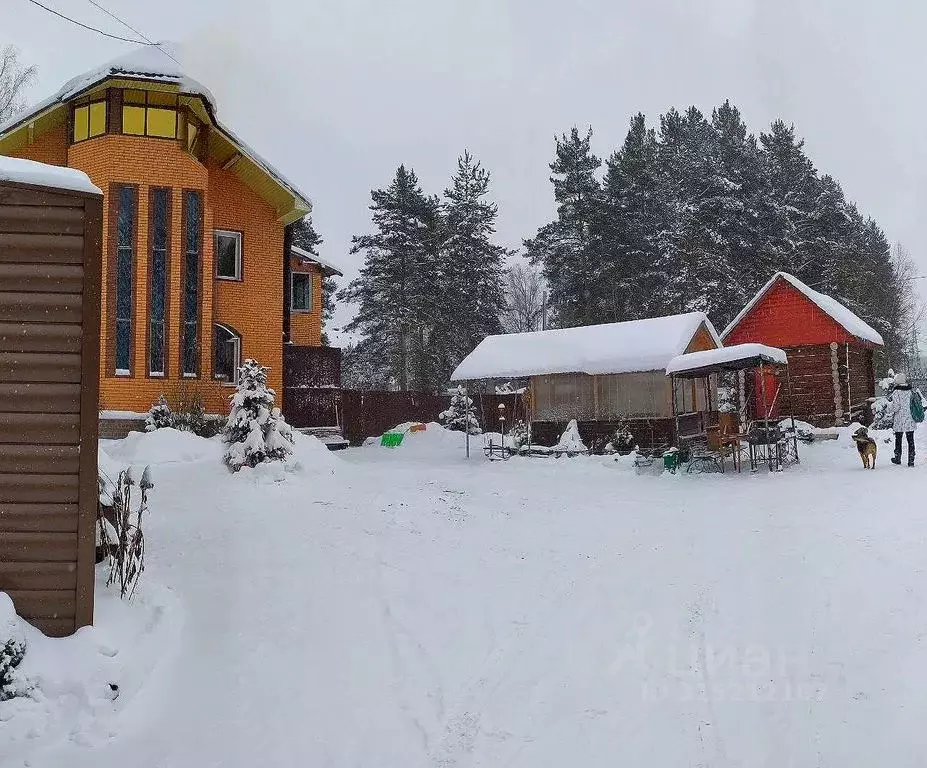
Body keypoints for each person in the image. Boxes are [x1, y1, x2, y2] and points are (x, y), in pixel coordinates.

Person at [890, 372, 916, 466]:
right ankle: (911, 460)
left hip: (900, 420)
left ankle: (898, 458)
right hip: (910, 419)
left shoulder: (896, 392)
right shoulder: (910, 391)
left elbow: (896, 407)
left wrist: (889, 408)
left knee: (898, 439)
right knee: (910, 440)